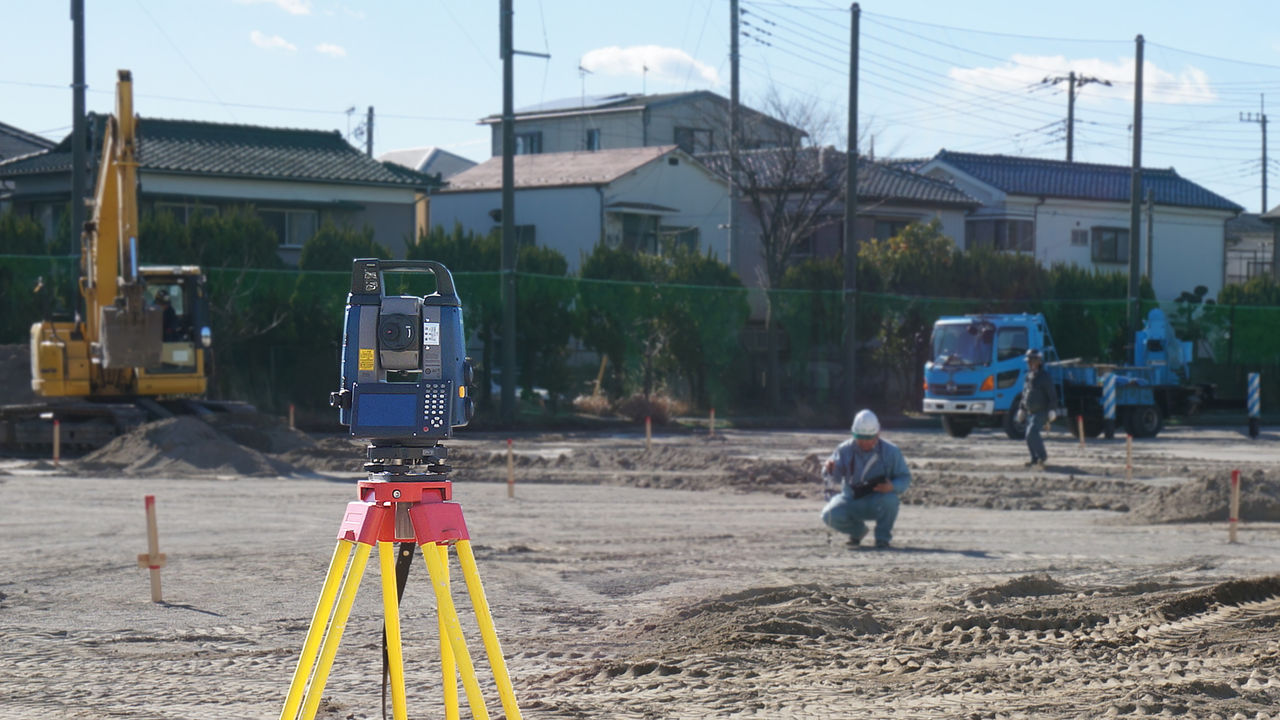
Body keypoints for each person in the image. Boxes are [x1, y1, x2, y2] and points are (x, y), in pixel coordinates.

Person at [820, 409, 912, 549]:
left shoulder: (891, 452)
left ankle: (882, 538)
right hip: (850, 498)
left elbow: (905, 477)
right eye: (860, 437)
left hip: (878, 500)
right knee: (828, 514)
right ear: (853, 434)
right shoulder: (843, 450)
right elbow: (834, 478)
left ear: (878, 434)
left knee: (891, 500)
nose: (864, 442)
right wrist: (829, 469)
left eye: (869, 438)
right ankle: (857, 532)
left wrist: (892, 486)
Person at [1016, 349, 1059, 468]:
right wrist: (1021, 408)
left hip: (1042, 411)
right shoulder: (1028, 376)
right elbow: (1024, 394)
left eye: (1031, 361)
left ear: (1038, 362)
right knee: (1028, 436)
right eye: (1028, 361)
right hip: (1030, 411)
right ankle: (1034, 458)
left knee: (1032, 433)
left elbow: (1052, 395)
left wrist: (1052, 410)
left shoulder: (1045, 377)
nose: (1029, 363)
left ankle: (1042, 457)